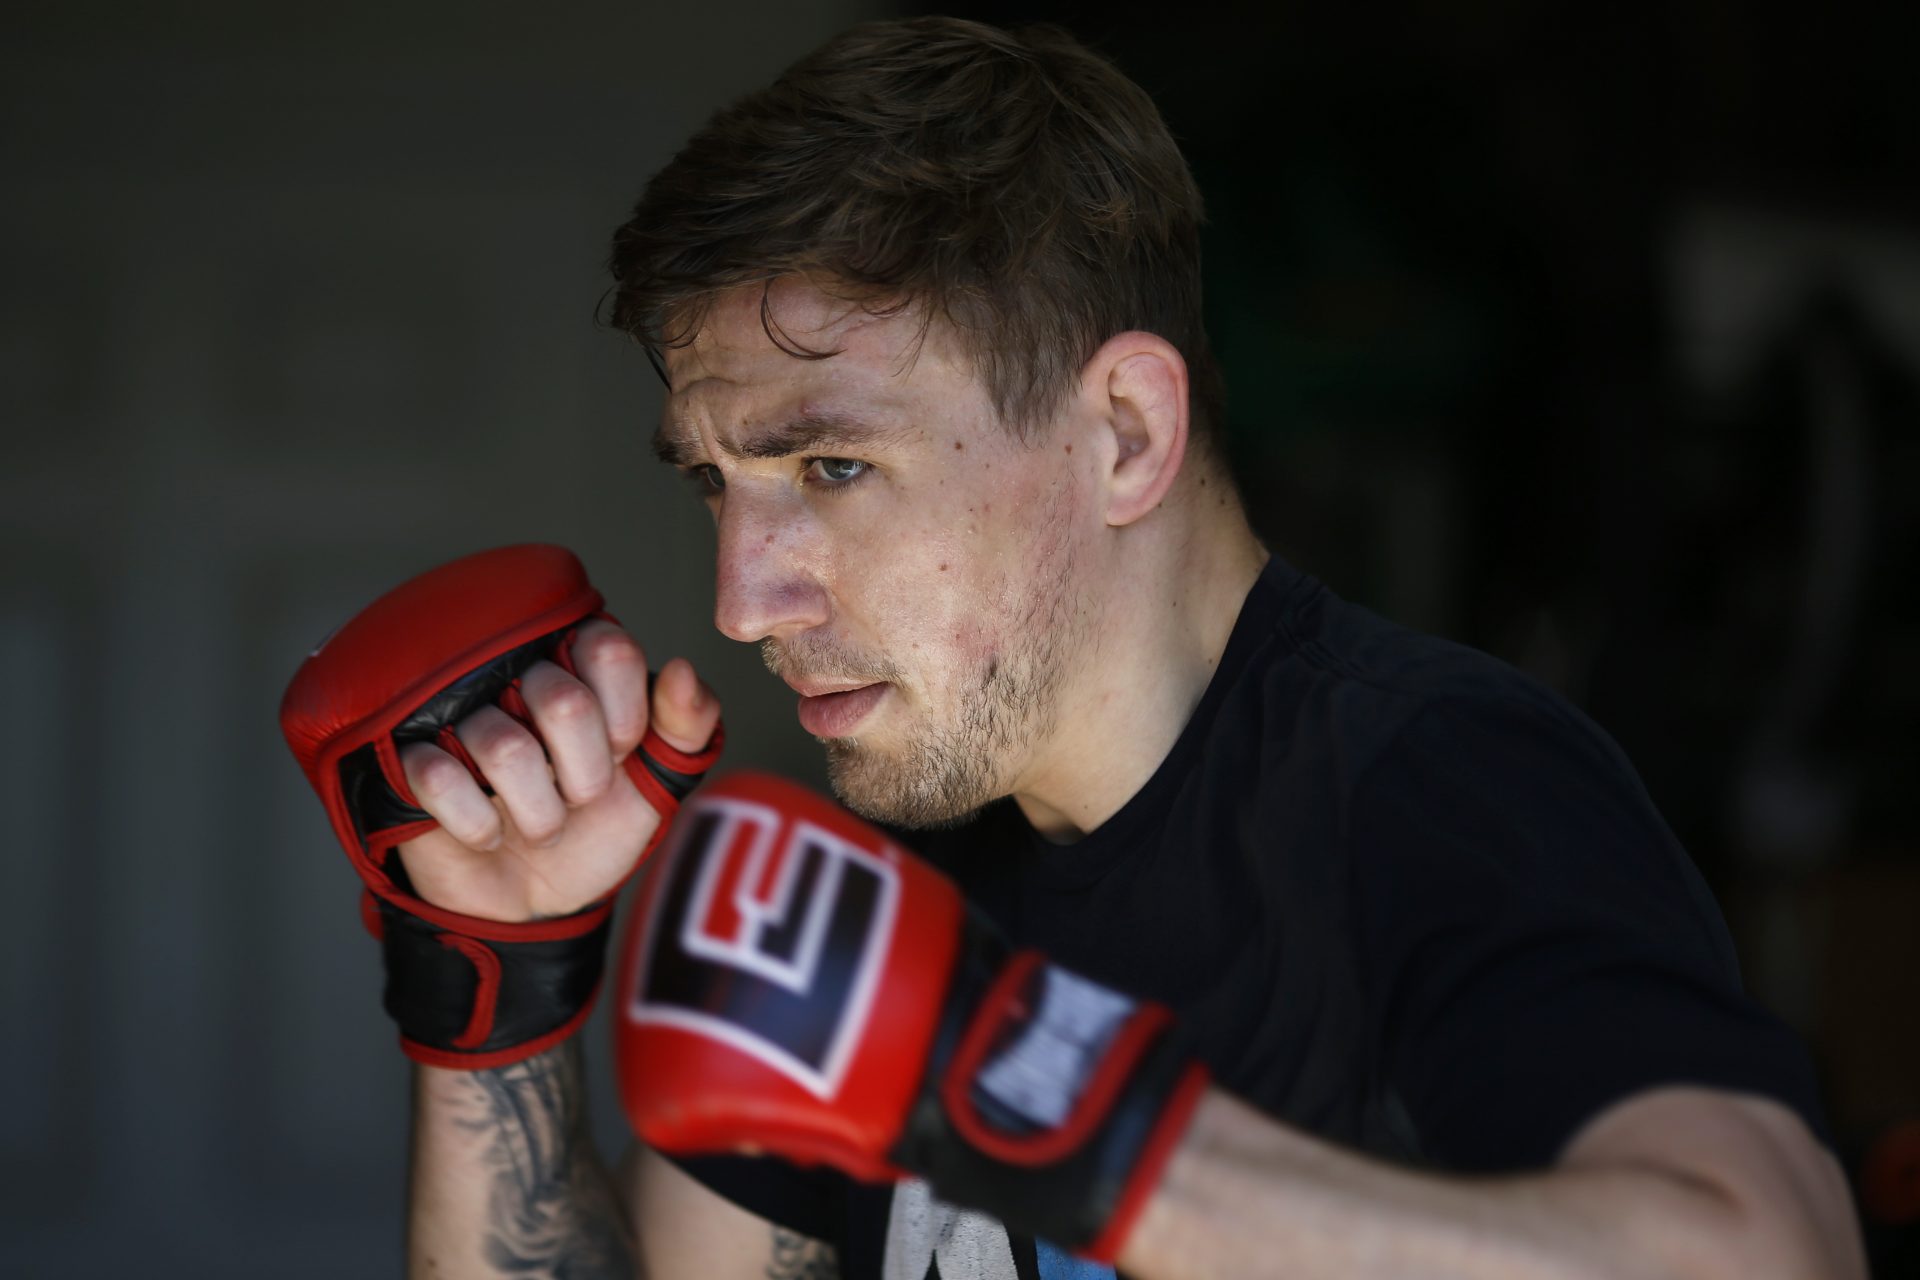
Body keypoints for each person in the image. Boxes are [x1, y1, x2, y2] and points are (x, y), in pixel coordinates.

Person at [376, 16, 1864, 1280]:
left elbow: (1770, 1252)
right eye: (715, 482)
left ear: (1127, 433)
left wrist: (1062, 1115)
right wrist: (495, 1017)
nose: (744, 601)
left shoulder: (1434, 785)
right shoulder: (866, 880)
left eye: (831, 469)